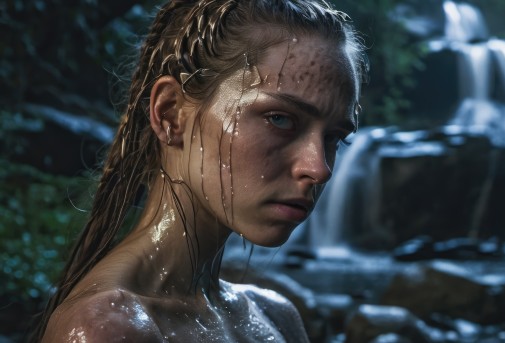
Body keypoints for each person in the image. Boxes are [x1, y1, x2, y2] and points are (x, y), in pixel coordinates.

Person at [32, 0, 366, 341]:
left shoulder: (277, 317)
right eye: (279, 119)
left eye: (334, 138)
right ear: (171, 114)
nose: (319, 168)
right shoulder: (107, 329)